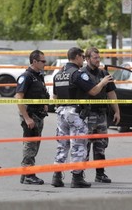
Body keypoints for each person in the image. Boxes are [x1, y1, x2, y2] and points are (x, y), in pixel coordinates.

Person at [51, 47, 113, 188]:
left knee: (62, 146)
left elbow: (54, 97)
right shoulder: (77, 74)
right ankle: (77, 177)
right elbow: (94, 91)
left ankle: (57, 176)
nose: (83, 60)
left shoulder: (59, 74)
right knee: (78, 145)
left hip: (61, 112)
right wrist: (103, 82)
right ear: (78, 57)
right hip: (75, 113)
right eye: (82, 57)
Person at [83, 47, 120, 183]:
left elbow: (111, 93)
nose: (98, 60)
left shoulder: (104, 73)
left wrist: (117, 111)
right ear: (87, 59)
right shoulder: (82, 74)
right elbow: (91, 92)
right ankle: (79, 174)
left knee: (101, 145)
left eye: (99, 58)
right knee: (84, 145)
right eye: (95, 58)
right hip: (87, 114)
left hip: (101, 114)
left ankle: (100, 174)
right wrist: (102, 82)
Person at [15, 50, 49, 185]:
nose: (45, 63)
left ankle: (26, 174)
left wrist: (44, 104)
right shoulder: (26, 76)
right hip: (30, 116)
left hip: (38, 115)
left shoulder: (38, 76)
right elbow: (19, 98)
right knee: (30, 145)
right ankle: (29, 174)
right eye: (43, 61)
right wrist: (27, 118)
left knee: (34, 145)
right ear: (34, 61)